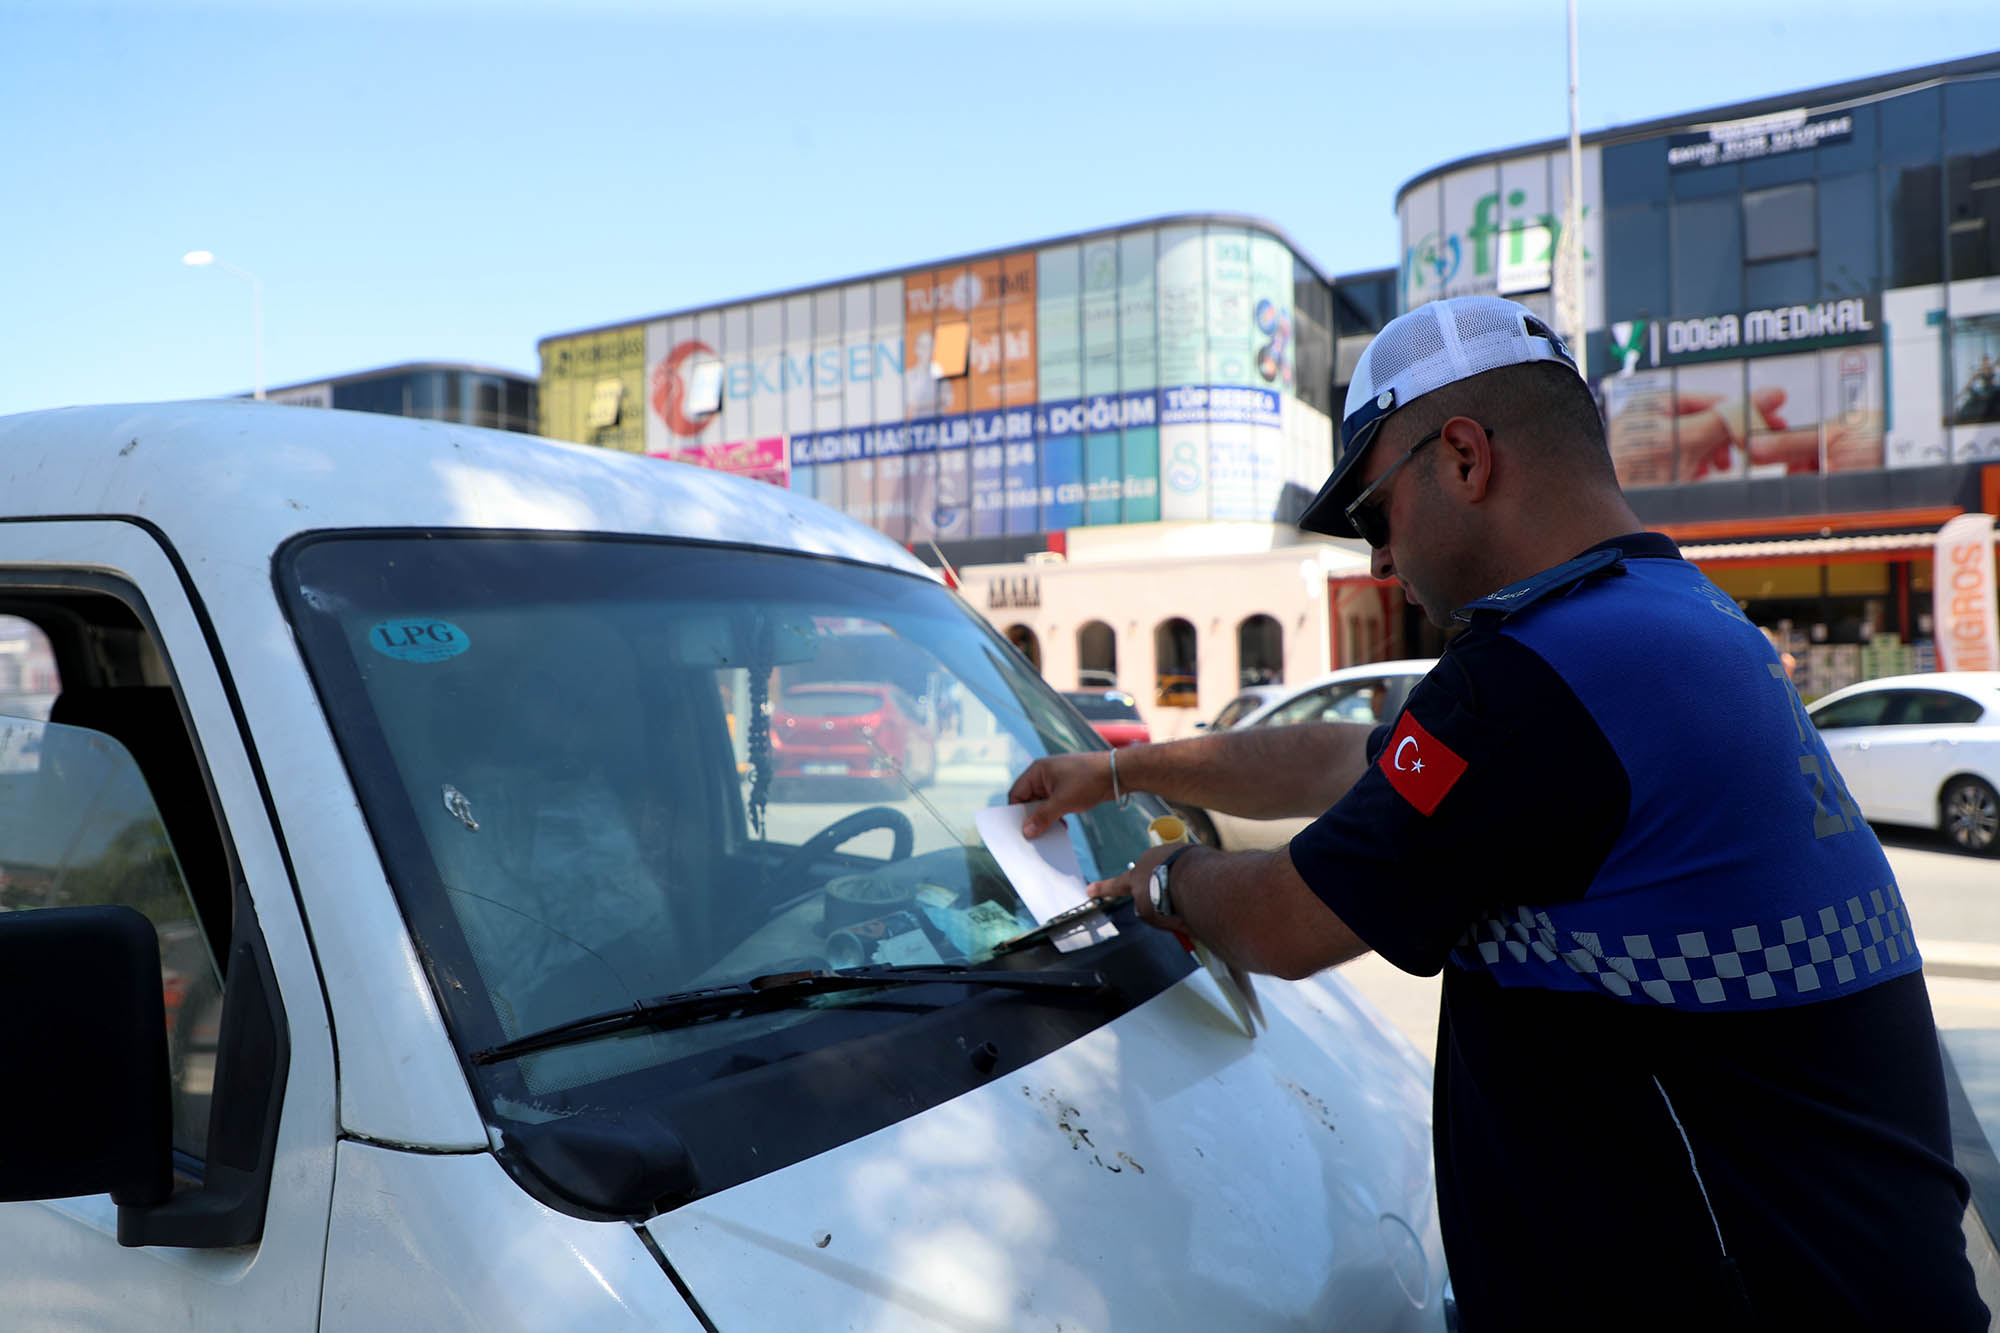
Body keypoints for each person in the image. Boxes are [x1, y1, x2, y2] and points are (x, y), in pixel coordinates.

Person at [1010, 296, 1986, 1330]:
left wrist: (1155, 880)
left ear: (1464, 458)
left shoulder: (1533, 684)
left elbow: (1282, 921)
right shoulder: (1667, 622)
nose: (1378, 561)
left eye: (1375, 511)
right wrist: (1123, 772)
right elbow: (1357, 757)